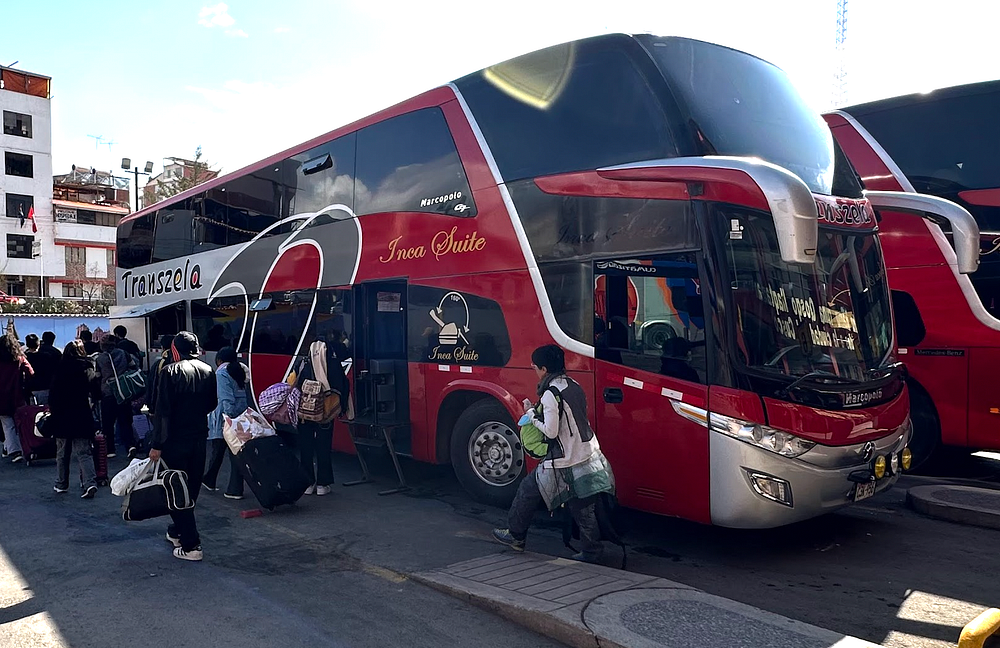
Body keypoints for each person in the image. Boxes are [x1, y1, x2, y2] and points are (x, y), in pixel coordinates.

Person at [493, 345, 615, 563]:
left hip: (564, 458)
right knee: (582, 505)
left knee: (527, 490)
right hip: (588, 453)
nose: (534, 370)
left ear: (544, 369)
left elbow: (550, 431)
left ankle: (516, 536)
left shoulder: (551, 393)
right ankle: (592, 551)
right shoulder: (573, 385)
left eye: (535, 367)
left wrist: (531, 414)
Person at [148, 331, 217, 562]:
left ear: (175, 349)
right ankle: (178, 531)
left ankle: (191, 544)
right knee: (191, 487)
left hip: (174, 439)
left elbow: (163, 412)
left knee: (176, 488)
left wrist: (157, 444)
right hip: (199, 436)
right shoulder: (208, 370)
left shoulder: (169, 371)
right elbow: (212, 403)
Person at [48, 340, 102, 498]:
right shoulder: (86, 366)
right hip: (81, 412)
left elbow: (53, 394)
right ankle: (90, 483)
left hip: (62, 414)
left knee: (62, 453)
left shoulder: (59, 367)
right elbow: (96, 391)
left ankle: (61, 483)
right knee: (84, 452)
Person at [297, 334, 350, 496]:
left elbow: (294, 382)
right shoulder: (332, 363)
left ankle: (308, 483)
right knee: (323, 447)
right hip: (325, 412)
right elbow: (342, 385)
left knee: (305, 447)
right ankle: (323, 484)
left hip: (304, 413)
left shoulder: (304, 363)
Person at [203, 346, 250, 499]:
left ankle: (234, 489)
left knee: (223, 450)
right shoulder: (240, 371)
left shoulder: (221, 373)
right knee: (232, 451)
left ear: (219, 360)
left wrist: (228, 420)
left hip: (226, 418)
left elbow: (226, 399)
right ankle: (211, 480)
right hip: (240, 416)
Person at [94, 334, 139, 459]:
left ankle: (110, 449)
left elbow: (98, 376)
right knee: (125, 421)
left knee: (108, 423)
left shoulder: (99, 359)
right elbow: (133, 367)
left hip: (108, 393)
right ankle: (130, 445)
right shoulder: (124, 354)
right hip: (124, 392)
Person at [0, 333, 34, 462]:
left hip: (1, 397)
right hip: (17, 394)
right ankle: (24, 447)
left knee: (7, 424)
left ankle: (14, 450)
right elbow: (30, 372)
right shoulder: (19, 358)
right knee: (20, 423)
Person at [25, 333, 59, 405]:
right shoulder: (47, 357)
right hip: (45, 388)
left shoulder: (24, 358)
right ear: (38, 344)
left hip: (30, 389)